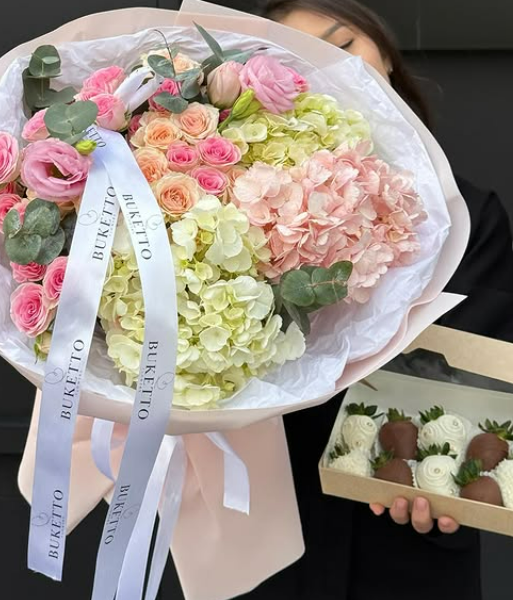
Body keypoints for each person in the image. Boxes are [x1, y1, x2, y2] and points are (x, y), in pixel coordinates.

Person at [231, 1, 513, 599]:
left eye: (343, 45)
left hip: (410, 522)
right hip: (270, 519)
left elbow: (467, 369)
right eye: (301, 64)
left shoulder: (466, 215)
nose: (333, 69)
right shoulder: (245, 208)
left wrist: (438, 466)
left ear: (384, 53)